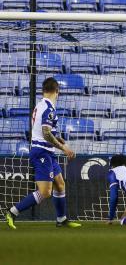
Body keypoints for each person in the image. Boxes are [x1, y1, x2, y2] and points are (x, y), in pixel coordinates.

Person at [4, 77, 81, 229]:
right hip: (41, 153)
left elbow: (43, 130)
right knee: (45, 192)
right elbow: (46, 134)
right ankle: (12, 212)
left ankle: (61, 219)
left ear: (43, 91)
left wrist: (57, 138)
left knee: (60, 185)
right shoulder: (49, 108)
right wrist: (64, 148)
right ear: (57, 91)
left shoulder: (40, 105)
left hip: (47, 152)